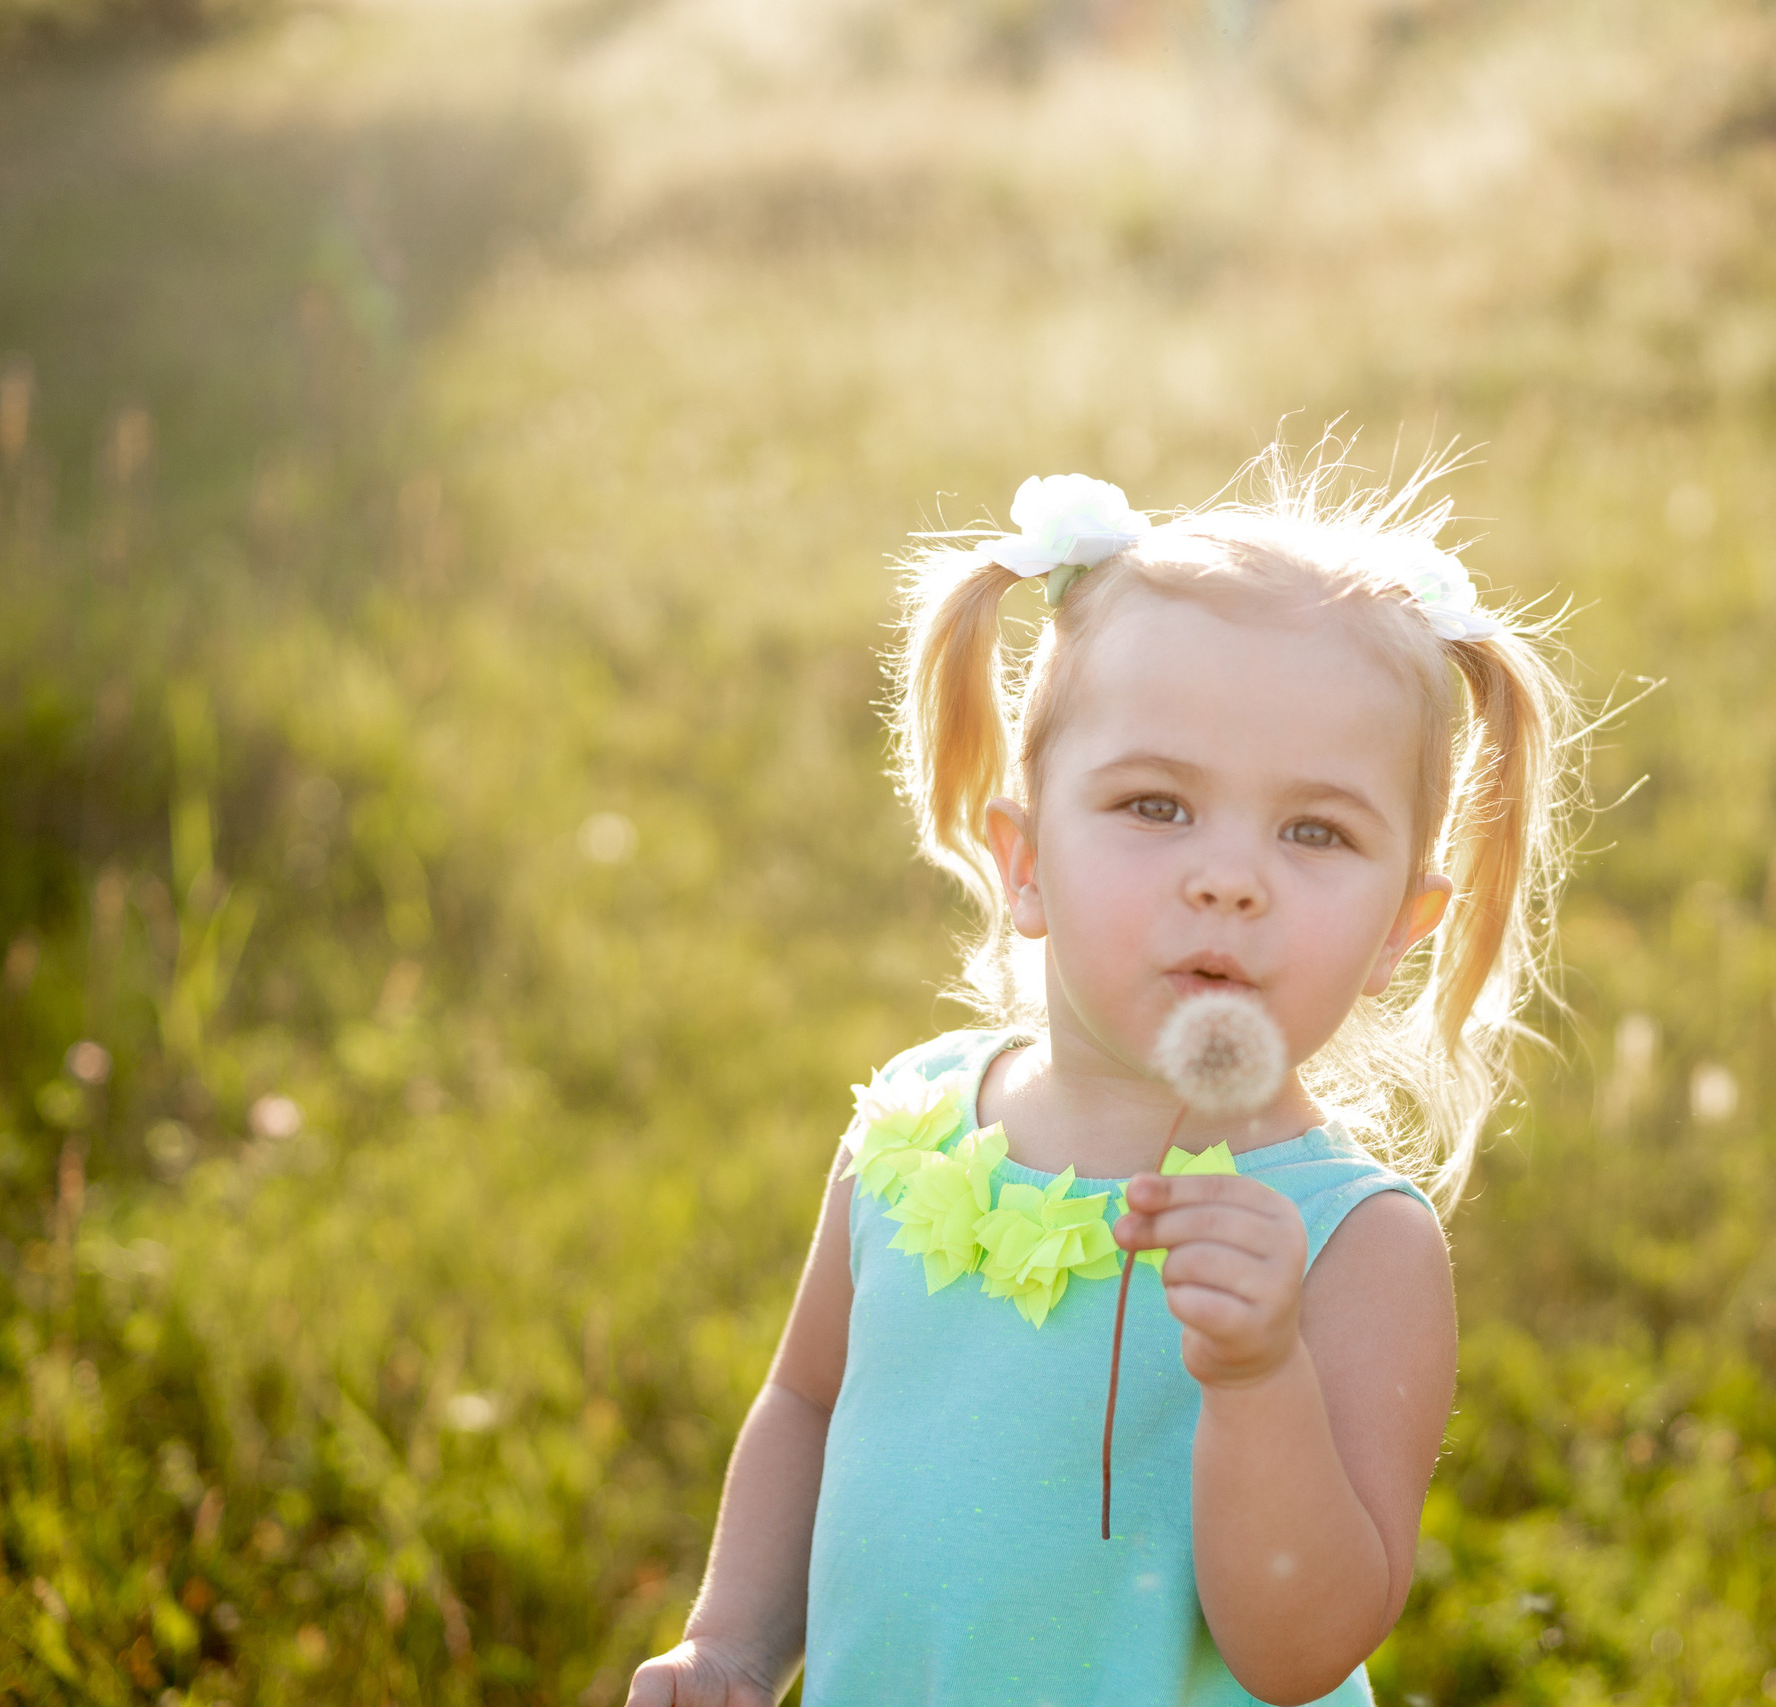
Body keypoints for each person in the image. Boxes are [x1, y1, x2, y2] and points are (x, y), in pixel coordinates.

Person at [627, 449, 1579, 1705]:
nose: (1229, 878)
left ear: (1399, 933)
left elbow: (1297, 1653)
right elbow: (808, 1401)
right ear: (1022, 863)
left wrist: (1259, 1377)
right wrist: (734, 1644)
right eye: (1152, 806)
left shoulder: (1355, 1247)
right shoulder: (912, 1128)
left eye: (1313, 832)